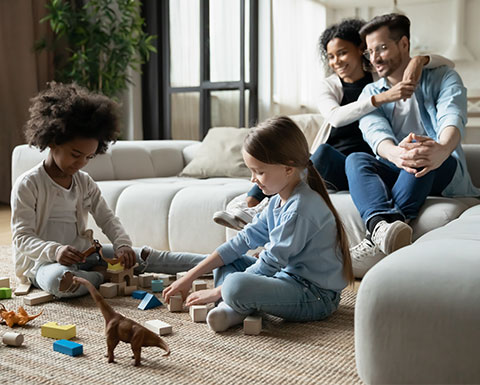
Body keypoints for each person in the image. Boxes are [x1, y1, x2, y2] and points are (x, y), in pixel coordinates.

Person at [213, 18, 453, 231]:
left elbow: (446, 64)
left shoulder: (379, 79)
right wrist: (382, 98)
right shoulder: (331, 86)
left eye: (342, 53)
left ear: (361, 50)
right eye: (331, 56)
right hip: (334, 164)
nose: (336, 61)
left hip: (367, 167)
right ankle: (251, 205)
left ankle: (257, 207)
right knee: (316, 155)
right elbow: (336, 117)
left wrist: (420, 60)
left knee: (354, 159)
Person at [11, 82, 204, 298]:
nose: (82, 163)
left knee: (145, 255)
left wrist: (122, 245)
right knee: (62, 281)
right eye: (76, 155)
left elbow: (107, 219)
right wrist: (55, 251)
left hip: (87, 254)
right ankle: (102, 276)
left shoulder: (84, 182)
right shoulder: (28, 184)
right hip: (44, 264)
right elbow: (22, 237)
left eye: (89, 157)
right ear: (54, 141)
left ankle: (216, 263)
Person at [164, 116, 354, 333]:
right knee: (228, 264)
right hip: (285, 278)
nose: (253, 179)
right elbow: (242, 241)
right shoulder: (276, 201)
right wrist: (189, 277)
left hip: (315, 296)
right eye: (251, 171)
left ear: (288, 169)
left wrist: (217, 291)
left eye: (259, 171)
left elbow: (271, 262)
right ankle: (234, 308)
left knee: (235, 285)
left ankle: (230, 305)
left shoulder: (301, 208)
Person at [346, 13, 479, 277]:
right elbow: (376, 134)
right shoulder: (372, 93)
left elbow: (453, 116)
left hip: (441, 165)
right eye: (371, 52)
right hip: (398, 165)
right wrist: (397, 154)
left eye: (382, 48)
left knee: (420, 151)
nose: (375, 58)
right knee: (355, 159)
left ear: (404, 44)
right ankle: (382, 228)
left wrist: (442, 148)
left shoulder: (443, 77)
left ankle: (381, 236)